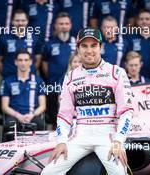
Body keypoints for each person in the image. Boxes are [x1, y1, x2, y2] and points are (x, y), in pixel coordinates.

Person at [41, 28, 134, 175]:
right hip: (80, 136)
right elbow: (64, 115)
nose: (89, 50)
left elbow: (126, 111)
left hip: (108, 136)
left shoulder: (116, 73)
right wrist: (61, 141)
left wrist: (119, 141)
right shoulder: (70, 77)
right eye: (84, 46)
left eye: (93, 45)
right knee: (48, 173)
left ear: (101, 47)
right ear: (78, 48)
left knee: (119, 173)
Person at [40, 12, 76, 128]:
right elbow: (44, 65)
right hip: (54, 86)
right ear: (55, 25)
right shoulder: (49, 44)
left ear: (70, 25)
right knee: (54, 117)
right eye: (61, 24)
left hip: (73, 85)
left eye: (66, 23)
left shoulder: (76, 43)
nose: (64, 26)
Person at [0, 50, 46, 137]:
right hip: (14, 116)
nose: (23, 63)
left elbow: (43, 106)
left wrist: (32, 115)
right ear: (16, 62)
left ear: (31, 62)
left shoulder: (39, 81)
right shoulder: (7, 81)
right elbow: (4, 106)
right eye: (20, 60)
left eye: (26, 60)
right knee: (10, 124)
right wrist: (18, 116)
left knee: (39, 124)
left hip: (32, 115)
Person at [0, 9, 42, 78]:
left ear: (27, 21)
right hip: (9, 79)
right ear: (12, 21)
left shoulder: (35, 39)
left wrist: (31, 72)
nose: (20, 23)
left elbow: (38, 59)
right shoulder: (4, 39)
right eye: (17, 20)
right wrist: (5, 75)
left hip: (29, 79)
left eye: (23, 20)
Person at [127, 8, 150, 80]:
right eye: (141, 19)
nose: (144, 21)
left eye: (147, 19)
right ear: (138, 22)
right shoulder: (131, 38)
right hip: (136, 81)